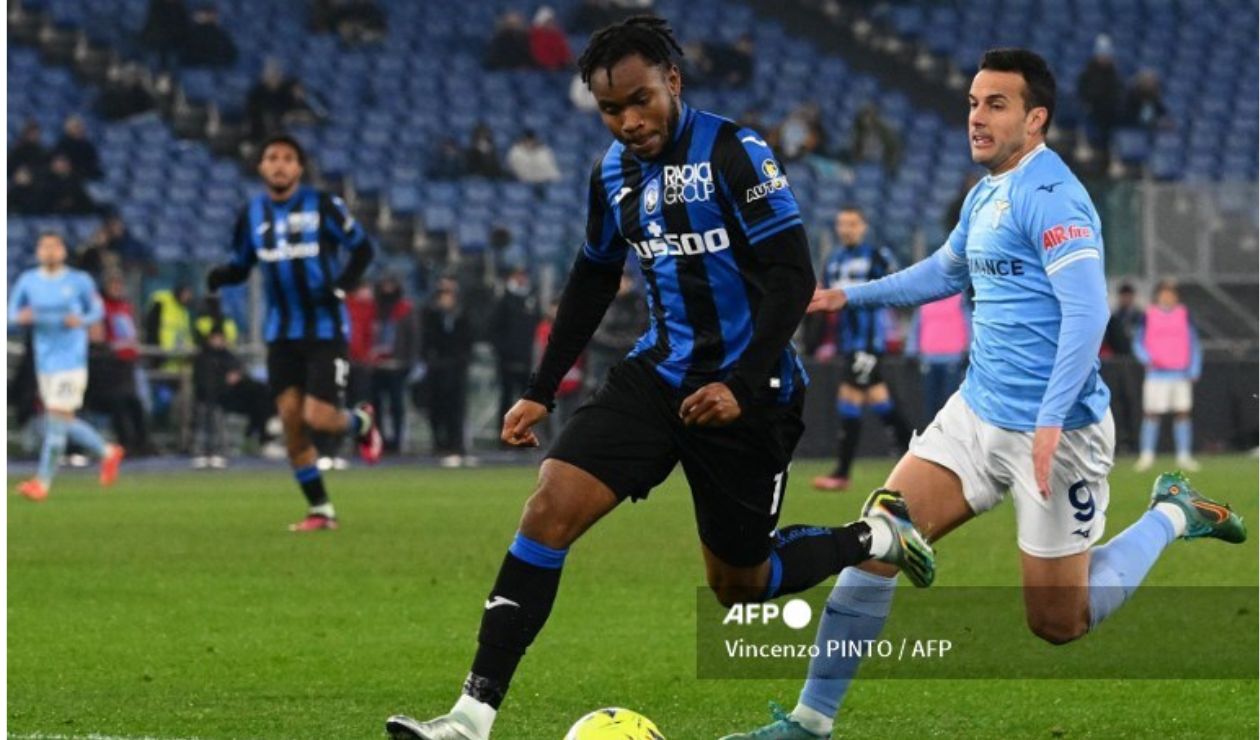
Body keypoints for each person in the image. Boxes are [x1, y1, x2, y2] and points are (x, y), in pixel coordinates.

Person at [384, 17, 935, 740]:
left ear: (672, 81)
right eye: (612, 110)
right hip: (659, 375)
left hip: (752, 393)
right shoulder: (611, 173)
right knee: (548, 507)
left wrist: (741, 382)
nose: (629, 121)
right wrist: (540, 387)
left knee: (742, 583)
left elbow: (792, 276)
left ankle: (874, 538)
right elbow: (590, 277)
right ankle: (470, 716)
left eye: (640, 100)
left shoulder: (736, 151)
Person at [725, 48, 1246, 740]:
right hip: (976, 412)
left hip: (1055, 436)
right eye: (973, 102)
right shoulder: (986, 193)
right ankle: (809, 723)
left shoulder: (1053, 196)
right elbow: (943, 271)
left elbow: (1088, 313)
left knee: (1058, 623)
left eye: (995, 104)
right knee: (882, 534)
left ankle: (1174, 514)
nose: (976, 116)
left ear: (1036, 119)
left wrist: (1053, 421)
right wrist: (846, 295)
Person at [205, 133, 382, 531]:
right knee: (292, 424)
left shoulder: (322, 205)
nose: (280, 164)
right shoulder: (251, 214)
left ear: (299, 168)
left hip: (323, 331)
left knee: (318, 417)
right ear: (262, 166)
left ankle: (362, 423)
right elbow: (240, 263)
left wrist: (343, 284)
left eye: (288, 158)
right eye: (272, 157)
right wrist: (221, 276)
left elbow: (363, 248)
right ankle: (321, 510)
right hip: (280, 335)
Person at [8, 233, 125, 501]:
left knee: (56, 420)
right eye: (43, 246)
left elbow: (97, 311)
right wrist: (20, 317)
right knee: (63, 419)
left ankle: (42, 483)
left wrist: (81, 320)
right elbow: (9, 314)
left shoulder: (79, 281)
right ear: (38, 252)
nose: (48, 251)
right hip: (44, 361)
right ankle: (108, 451)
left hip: (71, 360)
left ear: (62, 251)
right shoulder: (29, 281)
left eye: (54, 246)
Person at [811, 207, 913, 492]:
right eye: (842, 223)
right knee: (877, 398)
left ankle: (842, 473)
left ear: (864, 226)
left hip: (869, 342)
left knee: (850, 397)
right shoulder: (833, 261)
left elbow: (898, 286)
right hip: (847, 342)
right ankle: (913, 453)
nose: (847, 229)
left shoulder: (877, 256)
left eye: (853, 223)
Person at [1133, 280, 1201, 472]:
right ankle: (1146, 455)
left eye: (1171, 293)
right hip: (1156, 374)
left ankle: (1184, 455)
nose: (1167, 297)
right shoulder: (1148, 315)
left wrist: (1194, 367)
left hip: (1180, 372)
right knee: (1151, 413)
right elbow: (1137, 341)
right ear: (1158, 295)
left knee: (1182, 412)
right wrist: (1146, 358)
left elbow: (1194, 343)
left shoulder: (1184, 315)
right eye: (1164, 293)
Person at [419, 277, 473, 464]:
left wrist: (462, 359)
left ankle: (456, 444)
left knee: (456, 408)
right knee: (436, 408)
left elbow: (468, 340)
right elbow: (426, 340)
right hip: (437, 368)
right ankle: (439, 443)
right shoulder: (430, 315)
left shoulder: (463, 315)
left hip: (456, 368)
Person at [370, 276, 419, 454]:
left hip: (397, 365)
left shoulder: (404, 309)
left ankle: (397, 439)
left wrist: (410, 361)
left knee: (396, 405)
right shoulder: (373, 309)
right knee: (376, 406)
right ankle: (379, 438)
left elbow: (413, 337)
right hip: (376, 365)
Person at [582, 269, 647, 399]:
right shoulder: (599, 301)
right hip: (602, 359)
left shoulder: (639, 303)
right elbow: (596, 333)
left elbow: (644, 328)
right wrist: (620, 342)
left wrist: (628, 341)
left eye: (626, 279)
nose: (623, 283)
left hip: (629, 358)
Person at [906, 292, 970, 424]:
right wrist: (911, 350)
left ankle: (951, 439)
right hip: (929, 359)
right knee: (930, 403)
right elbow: (916, 325)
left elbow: (968, 323)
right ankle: (933, 439)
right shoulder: (925, 299)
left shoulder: (959, 298)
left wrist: (970, 348)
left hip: (952, 358)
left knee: (950, 403)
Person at [488, 266, 540, 424]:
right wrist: (503, 350)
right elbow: (494, 328)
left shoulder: (532, 298)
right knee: (506, 396)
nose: (521, 278)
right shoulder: (504, 299)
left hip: (527, 357)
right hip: (507, 358)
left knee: (525, 397)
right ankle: (505, 433)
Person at [1101, 282, 1142, 452]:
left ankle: (1135, 440)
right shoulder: (1114, 317)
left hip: (1135, 363)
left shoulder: (1140, 316)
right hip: (1117, 364)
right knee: (1116, 403)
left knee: (1134, 403)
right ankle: (1119, 441)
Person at [52, 116, 103, 181]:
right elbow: (60, 166)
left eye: (80, 126)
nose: (80, 129)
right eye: (76, 127)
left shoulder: (87, 145)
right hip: (70, 178)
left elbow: (94, 163)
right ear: (68, 129)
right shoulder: (62, 145)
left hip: (87, 176)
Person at [528, 6, 573, 71]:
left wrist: (567, 60)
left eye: (551, 21)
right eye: (548, 21)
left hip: (559, 66)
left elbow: (564, 51)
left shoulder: (557, 35)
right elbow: (539, 55)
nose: (550, 24)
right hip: (543, 68)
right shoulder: (536, 36)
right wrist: (551, 64)